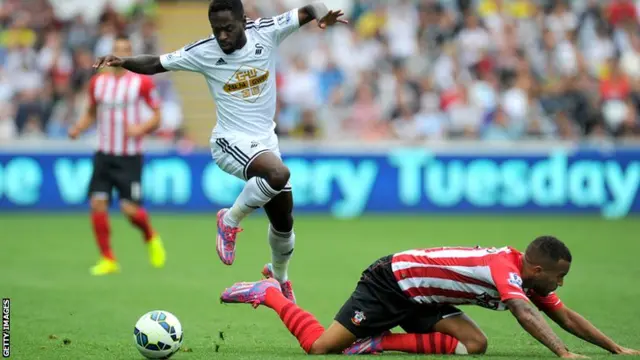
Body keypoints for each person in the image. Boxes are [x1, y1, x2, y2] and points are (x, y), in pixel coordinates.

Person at [92, 0, 347, 302]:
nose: (222, 36)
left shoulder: (266, 31)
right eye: (217, 30)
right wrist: (124, 62)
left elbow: (308, 9)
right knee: (279, 173)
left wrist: (322, 17)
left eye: (228, 28)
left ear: (243, 20)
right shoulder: (204, 51)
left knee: (284, 222)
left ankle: (280, 279)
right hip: (229, 141)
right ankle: (229, 220)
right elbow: (156, 63)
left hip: (265, 142)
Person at [220, 236, 640, 358]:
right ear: (536, 270)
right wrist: (565, 356)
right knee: (319, 348)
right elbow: (524, 315)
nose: (560, 285)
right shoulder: (505, 270)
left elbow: (565, 316)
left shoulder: (530, 280)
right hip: (392, 283)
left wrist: (615, 348)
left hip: (426, 299)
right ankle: (270, 292)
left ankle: (378, 342)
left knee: (475, 345)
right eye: (559, 277)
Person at [69, 35, 166, 276]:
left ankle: (150, 235)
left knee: (130, 210)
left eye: (125, 51)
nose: (119, 54)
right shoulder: (98, 83)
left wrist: (140, 129)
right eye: (117, 50)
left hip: (129, 156)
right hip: (104, 152)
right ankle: (108, 258)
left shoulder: (141, 83)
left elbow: (157, 116)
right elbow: (91, 112)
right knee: (98, 203)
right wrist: (79, 127)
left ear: (130, 55)